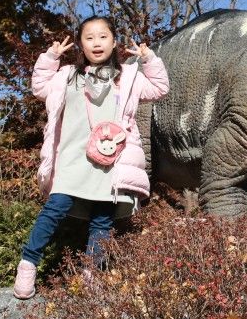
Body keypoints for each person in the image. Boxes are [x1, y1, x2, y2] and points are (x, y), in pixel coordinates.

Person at [13, 16, 169, 300]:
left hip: (110, 161)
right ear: (81, 44)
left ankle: (91, 274)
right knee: (55, 208)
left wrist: (149, 58)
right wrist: (50, 58)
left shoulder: (128, 77)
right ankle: (28, 264)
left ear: (113, 41)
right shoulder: (67, 75)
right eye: (89, 37)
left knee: (101, 220)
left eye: (103, 36)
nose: (96, 43)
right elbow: (39, 87)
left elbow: (160, 88)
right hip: (71, 159)